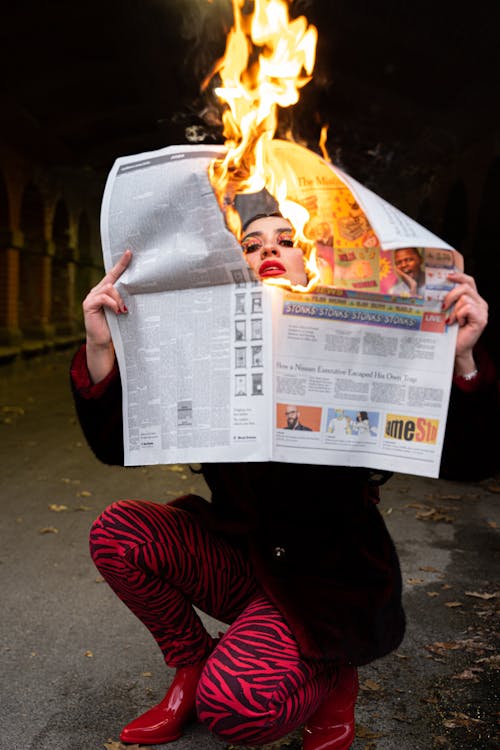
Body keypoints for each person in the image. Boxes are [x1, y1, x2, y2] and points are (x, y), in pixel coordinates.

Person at [70, 193, 499, 750]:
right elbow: (114, 445)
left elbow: (468, 462)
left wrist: (463, 359)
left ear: (313, 262)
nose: (269, 249)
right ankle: (193, 665)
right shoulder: (210, 346)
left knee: (238, 709)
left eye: (287, 241)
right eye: (252, 244)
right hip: (245, 561)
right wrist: (99, 345)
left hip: (327, 582)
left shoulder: (366, 347)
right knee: (118, 532)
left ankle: (330, 672)